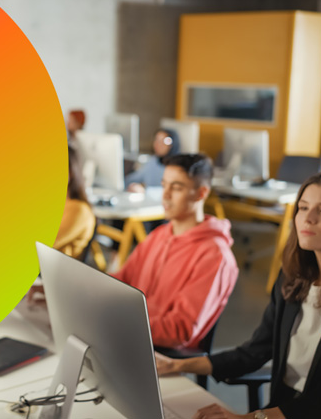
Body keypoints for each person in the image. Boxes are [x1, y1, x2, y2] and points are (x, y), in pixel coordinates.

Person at [156, 171, 321, 419]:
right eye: (302, 207)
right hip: (282, 411)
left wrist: (249, 418)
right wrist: (178, 365)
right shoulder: (293, 278)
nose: (307, 219)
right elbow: (254, 352)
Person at [112, 153, 238, 349]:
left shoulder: (215, 256)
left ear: (201, 193)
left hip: (160, 352)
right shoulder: (160, 234)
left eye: (176, 188)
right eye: (164, 185)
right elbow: (121, 281)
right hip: (129, 335)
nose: (165, 196)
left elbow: (179, 331)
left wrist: (119, 323)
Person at [53, 146, 95, 258]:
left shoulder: (79, 210)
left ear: (70, 172)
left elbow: (44, 244)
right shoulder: (53, 205)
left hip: (53, 271)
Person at [125, 128, 181, 193]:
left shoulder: (179, 167)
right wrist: (132, 185)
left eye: (164, 141)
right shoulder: (153, 161)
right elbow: (133, 179)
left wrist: (145, 191)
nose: (158, 144)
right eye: (156, 140)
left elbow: (172, 192)